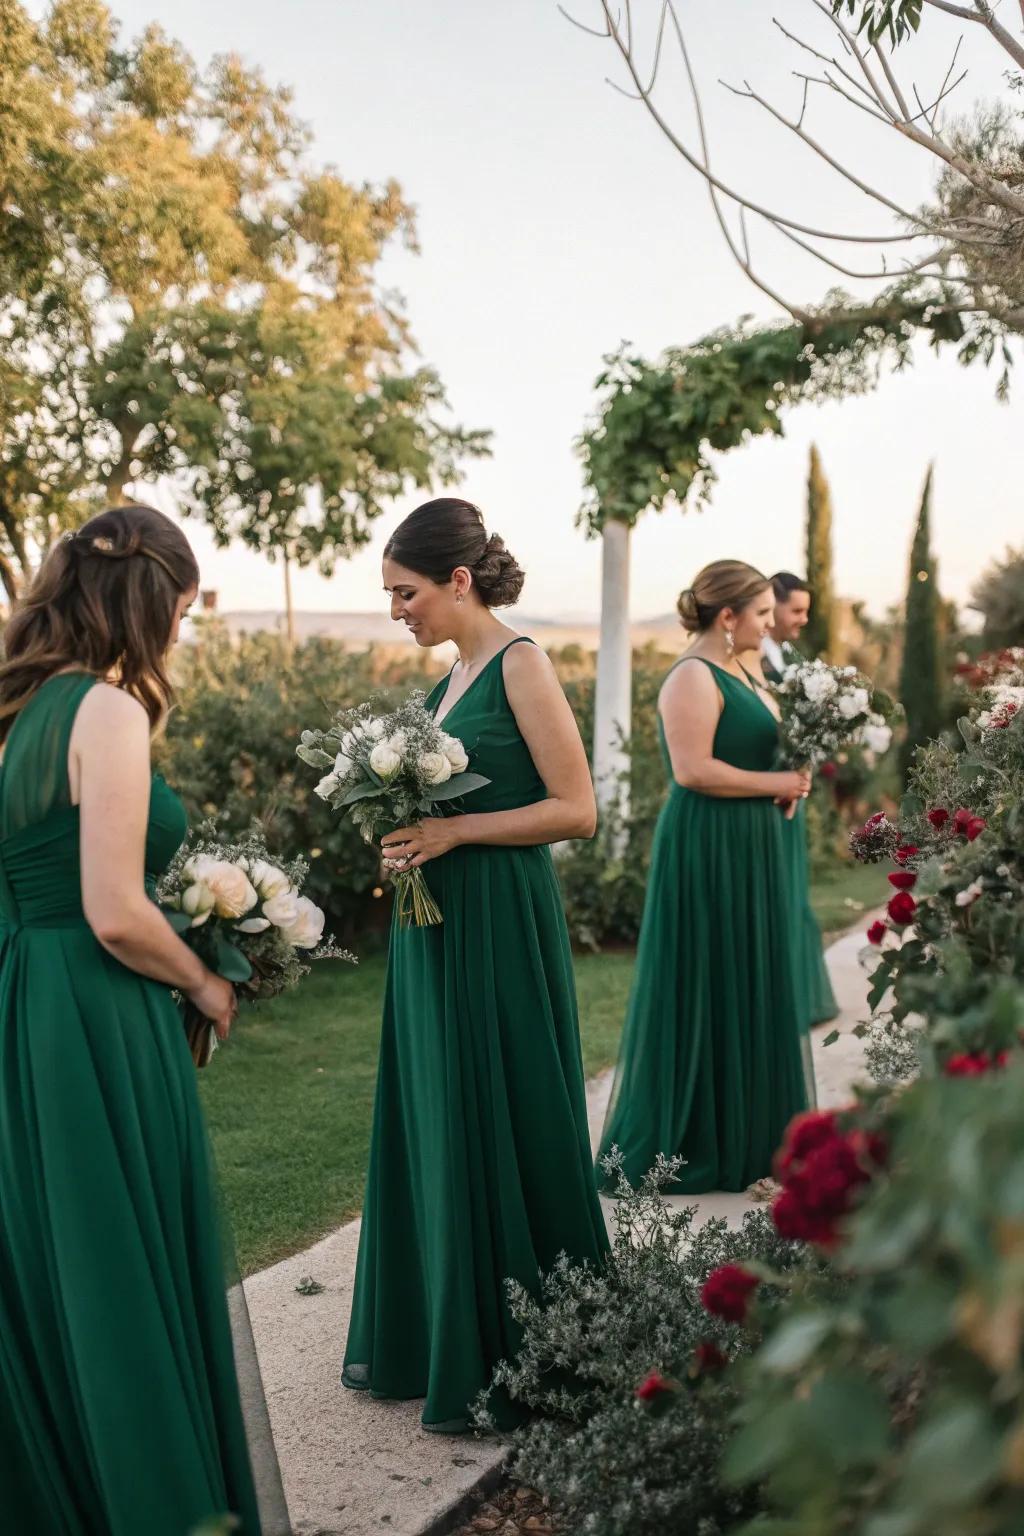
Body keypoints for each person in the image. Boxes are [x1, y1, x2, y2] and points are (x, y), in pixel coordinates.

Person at [0, 506, 288, 1535]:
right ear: (148, 594)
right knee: (114, 1262)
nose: (182, 624)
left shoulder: (16, 709)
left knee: (56, 1257)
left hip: (25, 1001)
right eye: (184, 601)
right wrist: (208, 982)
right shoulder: (106, 716)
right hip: (96, 1013)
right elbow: (116, 911)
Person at [342, 497, 609, 1432]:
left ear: (459, 581)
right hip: (437, 930)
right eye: (387, 596)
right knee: (439, 1107)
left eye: (404, 592)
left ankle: (526, 1334)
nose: (395, 611)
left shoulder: (521, 664)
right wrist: (405, 837)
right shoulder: (443, 684)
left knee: (503, 1098)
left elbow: (576, 810)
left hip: (500, 925)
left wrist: (454, 830)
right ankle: (440, 1326)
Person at [597, 560, 814, 1194]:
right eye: (764, 615)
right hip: (708, 845)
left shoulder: (746, 668)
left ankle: (754, 1136)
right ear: (729, 617)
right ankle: (695, 1139)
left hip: (754, 845)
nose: (771, 626)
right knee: (709, 979)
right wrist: (776, 782)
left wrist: (792, 776)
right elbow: (692, 770)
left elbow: (758, 744)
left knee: (752, 976)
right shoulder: (690, 676)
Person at [744, 571, 838, 1035]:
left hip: (786, 791)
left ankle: (794, 996)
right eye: (795, 610)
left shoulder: (790, 657)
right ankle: (778, 1001)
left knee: (792, 894)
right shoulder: (753, 658)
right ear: (772, 606)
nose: (802, 620)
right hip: (762, 794)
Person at [762, 570, 811, 681]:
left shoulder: (791, 652)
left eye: (806, 612)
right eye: (797, 611)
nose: (805, 620)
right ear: (772, 605)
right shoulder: (753, 651)